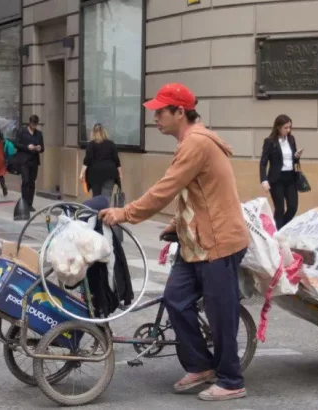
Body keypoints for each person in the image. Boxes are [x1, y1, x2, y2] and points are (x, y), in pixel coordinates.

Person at [99, 83, 250, 401]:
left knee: (220, 312)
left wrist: (124, 213)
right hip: (196, 242)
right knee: (175, 299)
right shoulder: (190, 141)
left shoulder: (196, 143)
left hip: (218, 242)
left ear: (180, 112)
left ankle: (231, 380)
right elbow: (193, 194)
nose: (155, 117)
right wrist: (175, 225)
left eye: (160, 111)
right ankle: (200, 365)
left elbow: (165, 189)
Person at [259, 114, 303, 229]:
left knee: (293, 207)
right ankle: (278, 235)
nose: (288, 130)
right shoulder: (269, 141)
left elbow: (294, 160)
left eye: (290, 128)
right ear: (278, 127)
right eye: (286, 128)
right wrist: (264, 180)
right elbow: (263, 162)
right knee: (280, 209)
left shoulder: (291, 139)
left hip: (291, 177)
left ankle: (278, 229)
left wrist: (297, 157)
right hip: (276, 179)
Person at [79, 123, 122, 198]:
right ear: (104, 132)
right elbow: (116, 160)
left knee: (96, 197)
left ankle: (97, 210)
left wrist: (81, 173)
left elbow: (87, 160)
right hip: (109, 173)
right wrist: (120, 174)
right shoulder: (111, 144)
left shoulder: (91, 145)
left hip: (95, 174)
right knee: (106, 197)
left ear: (93, 133)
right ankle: (105, 209)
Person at [14, 115, 44, 211]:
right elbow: (16, 144)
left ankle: (30, 204)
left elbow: (43, 148)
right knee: (25, 181)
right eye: (33, 124)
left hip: (34, 161)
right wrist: (27, 147)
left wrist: (39, 148)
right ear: (30, 123)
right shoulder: (22, 132)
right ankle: (24, 202)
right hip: (24, 161)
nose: (34, 126)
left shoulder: (39, 134)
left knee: (32, 182)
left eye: (36, 124)